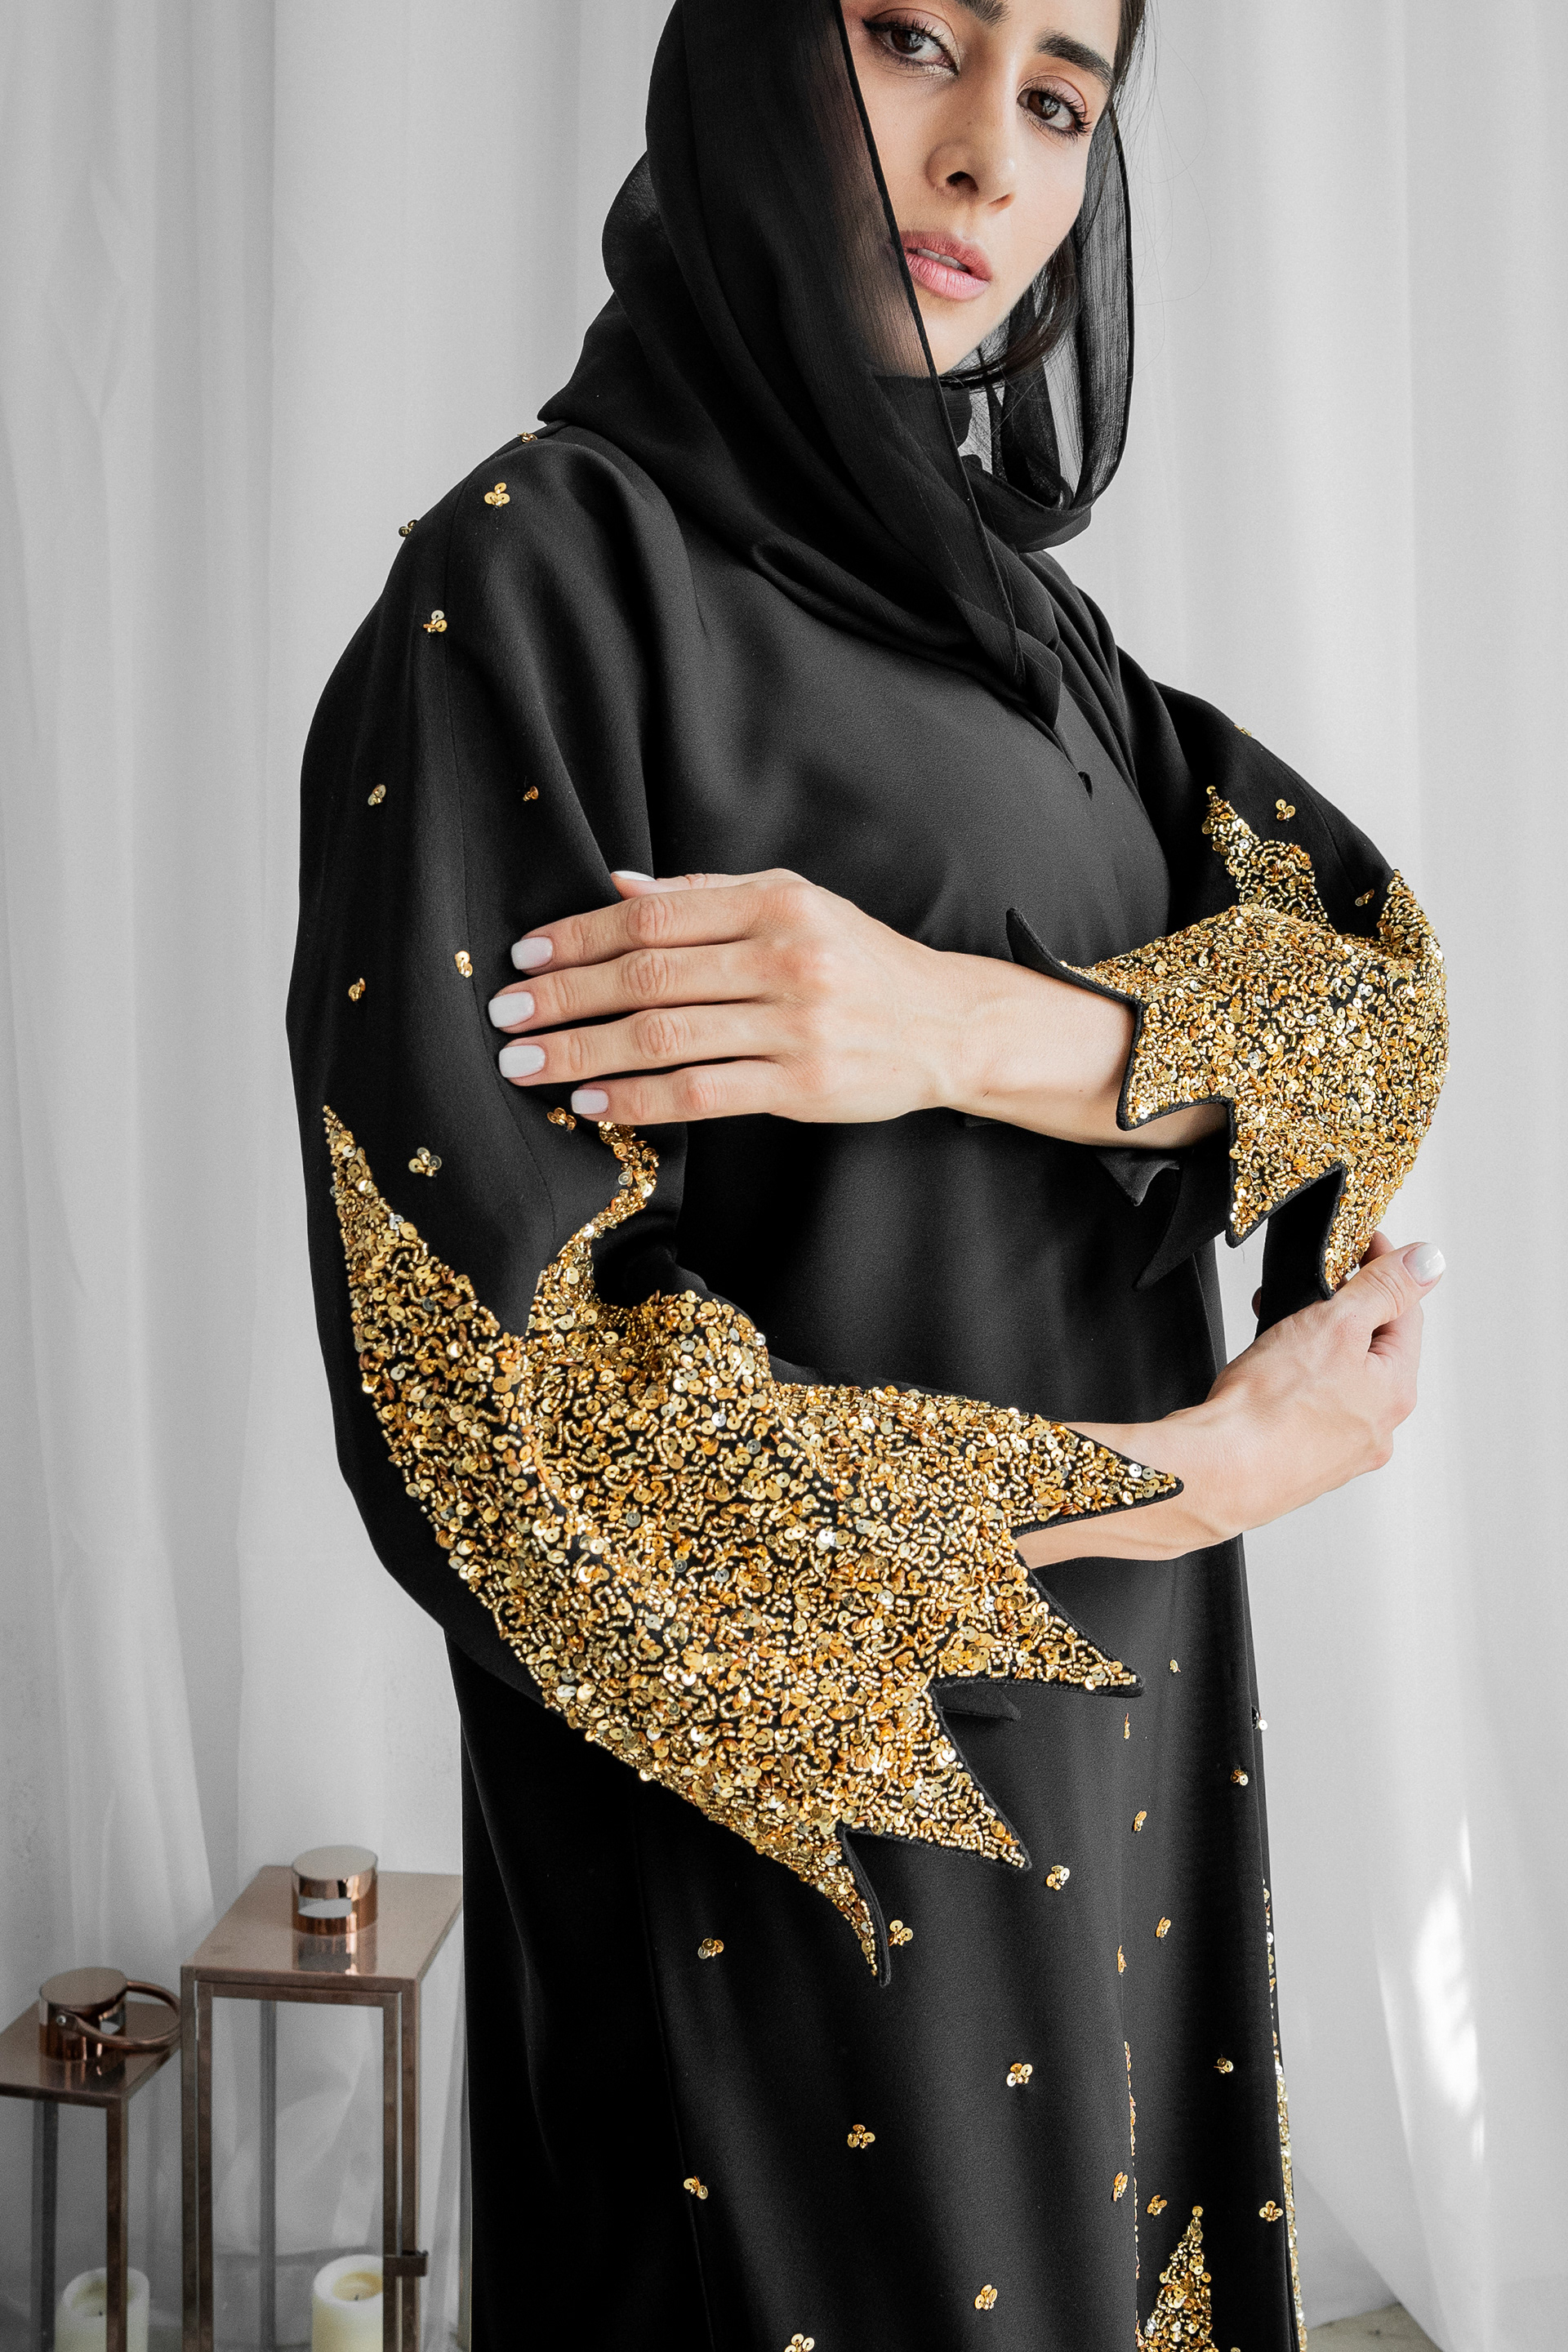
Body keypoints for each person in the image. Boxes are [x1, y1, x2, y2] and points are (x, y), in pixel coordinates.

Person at [288, 2, 1449, 2344]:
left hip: (1124, 1798)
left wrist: (964, 1028)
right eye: (912, 38)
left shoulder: (1036, 648)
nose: (990, 156)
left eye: (1059, 95)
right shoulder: (539, 584)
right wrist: (1207, 1476)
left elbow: (1373, 996)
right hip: (785, 1879)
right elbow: (511, 1439)